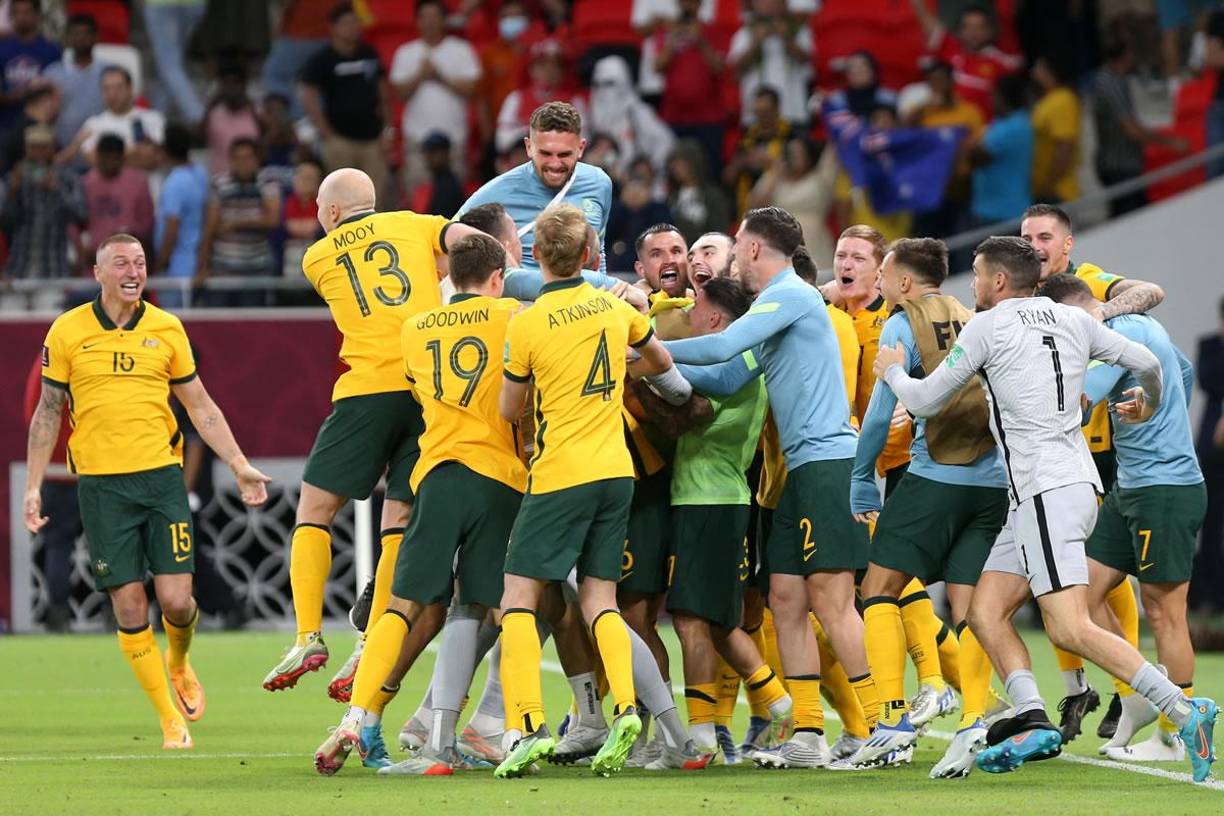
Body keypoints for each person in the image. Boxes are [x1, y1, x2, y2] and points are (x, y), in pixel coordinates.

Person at [873, 235, 1217, 783]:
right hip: (1053, 490)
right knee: (985, 612)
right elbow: (1152, 362)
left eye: (979, 274)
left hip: (1046, 492)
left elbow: (924, 400)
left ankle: (1183, 710)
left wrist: (892, 370)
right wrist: (1149, 401)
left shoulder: (988, 326)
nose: (976, 284)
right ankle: (1032, 715)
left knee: (1069, 627)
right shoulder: (1072, 319)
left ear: (999, 282)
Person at [24, 233, 270, 749]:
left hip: (161, 480)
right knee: (130, 607)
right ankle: (169, 719)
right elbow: (47, 412)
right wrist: (33, 486)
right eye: (121, 263)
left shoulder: (166, 328)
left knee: (177, 602)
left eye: (139, 261)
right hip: (100, 485)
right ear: (98, 273)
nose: (133, 270)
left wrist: (239, 463)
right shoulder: (67, 331)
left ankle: (178, 662)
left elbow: (201, 406)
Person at [659, 207, 876, 769]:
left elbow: (717, 349)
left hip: (828, 461)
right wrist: (651, 370)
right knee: (785, 599)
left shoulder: (793, 296)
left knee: (832, 599)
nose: (731, 258)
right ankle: (807, 731)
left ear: (754, 249)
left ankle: (883, 723)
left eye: (735, 247)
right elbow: (729, 376)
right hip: (795, 476)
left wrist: (640, 345)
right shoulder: (778, 309)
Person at [259, 168, 486, 695]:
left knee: (314, 510)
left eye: (319, 206)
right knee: (398, 520)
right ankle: (372, 640)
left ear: (333, 212)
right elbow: (467, 242)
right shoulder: (413, 223)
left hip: (367, 389)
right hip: (430, 387)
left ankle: (308, 635)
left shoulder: (316, 257)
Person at [314, 233, 528, 776]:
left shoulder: (415, 328)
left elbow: (416, 387)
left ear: (450, 277)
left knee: (403, 604)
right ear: (498, 276)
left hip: (435, 475)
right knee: (485, 608)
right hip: (502, 477)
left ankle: (361, 717)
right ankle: (509, 730)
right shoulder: (512, 316)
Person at [494, 202, 679, 778]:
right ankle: (625, 707)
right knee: (602, 599)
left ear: (537, 257)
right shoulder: (612, 308)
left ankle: (526, 725)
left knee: (517, 600)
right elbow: (661, 361)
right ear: (591, 256)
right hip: (615, 471)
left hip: (559, 474)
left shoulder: (524, 324)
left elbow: (509, 406)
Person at [845, 238, 1009, 776]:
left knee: (879, 590)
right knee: (971, 608)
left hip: (934, 478)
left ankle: (891, 723)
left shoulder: (902, 324)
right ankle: (975, 721)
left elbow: (878, 417)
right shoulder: (973, 316)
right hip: (990, 486)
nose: (883, 285)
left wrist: (861, 477)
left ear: (906, 283)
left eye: (887, 276)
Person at [1039, 272, 1206, 763]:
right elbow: (1185, 369)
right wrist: (1161, 407)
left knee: (1164, 614)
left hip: (1165, 490)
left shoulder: (1121, 334)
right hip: (1129, 488)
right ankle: (1141, 695)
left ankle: (1178, 738)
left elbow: (1074, 398)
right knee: (1079, 602)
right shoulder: (1138, 327)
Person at [1019, 202, 1168, 743]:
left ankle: (1129, 696)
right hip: (1035, 451)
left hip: (1093, 449)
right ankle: (1081, 686)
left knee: (1096, 578)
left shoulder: (1086, 283)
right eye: (1027, 235)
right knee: (1056, 579)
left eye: (1044, 236)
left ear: (1067, 245)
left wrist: (1096, 315)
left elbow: (1151, 290)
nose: (1034, 244)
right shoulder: (1018, 291)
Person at [666, 275, 792, 759]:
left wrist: (647, 358)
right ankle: (778, 704)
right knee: (718, 620)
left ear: (716, 318)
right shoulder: (745, 357)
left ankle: (699, 736)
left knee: (690, 620)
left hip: (708, 499)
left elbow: (687, 409)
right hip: (719, 498)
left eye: (698, 306)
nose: (692, 315)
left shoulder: (728, 361)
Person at [458, 101, 613, 273]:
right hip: (524, 300)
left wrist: (607, 288)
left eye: (564, 154)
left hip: (588, 298)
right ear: (529, 147)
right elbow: (446, 241)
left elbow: (600, 251)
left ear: (581, 148)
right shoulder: (494, 193)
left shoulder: (599, 182)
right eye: (545, 154)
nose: (555, 164)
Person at [300, 2, 392, 203]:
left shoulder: (369, 54)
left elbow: (383, 93)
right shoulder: (322, 59)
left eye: (354, 22)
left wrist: (387, 129)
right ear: (333, 28)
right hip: (339, 140)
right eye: (345, 23)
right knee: (343, 199)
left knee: (377, 198)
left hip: (372, 139)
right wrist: (327, 134)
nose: (351, 28)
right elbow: (309, 96)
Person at [1091, 36, 1188, 218]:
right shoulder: (1110, 84)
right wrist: (1170, 142)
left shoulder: (1116, 80)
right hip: (1120, 165)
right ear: (1125, 55)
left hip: (1121, 162)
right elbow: (1130, 128)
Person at [390, 0, 481, 193]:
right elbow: (399, 94)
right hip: (417, 142)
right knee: (417, 204)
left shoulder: (461, 49)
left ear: (444, 20)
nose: (430, 22)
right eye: (425, 17)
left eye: (435, 17)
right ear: (417, 21)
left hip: (454, 142)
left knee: (454, 204)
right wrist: (419, 76)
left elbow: (472, 89)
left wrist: (440, 76)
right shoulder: (406, 52)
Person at [194, 138, 281, 307]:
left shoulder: (268, 183)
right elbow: (211, 227)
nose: (243, 163)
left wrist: (235, 224)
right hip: (222, 270)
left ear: (257, 160)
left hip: (256, 272)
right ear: (231, 160)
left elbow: (272, 220)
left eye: (248, 158)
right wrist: (202, 266)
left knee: (253, 329)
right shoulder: (219, 184)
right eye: (238, 158)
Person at [907, 0, 1023, 120]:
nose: (973, 33)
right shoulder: (949, 48)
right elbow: (926, 19)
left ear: (990, 31)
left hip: (982, 130)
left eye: (979, 27)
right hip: (944, 127)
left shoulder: (1001, 62)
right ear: (960, 31)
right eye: (968, 27)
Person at [2, 124, 87, 279]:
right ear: (26, 150)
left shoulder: (68, 179)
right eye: (34, 147)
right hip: (18, 267)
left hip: (53, 268)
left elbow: (81, 215)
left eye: (43, 147)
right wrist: (13, 192)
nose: (38, 152)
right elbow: (5, 223)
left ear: (52, 149)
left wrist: (56, 189)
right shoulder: (14, 178)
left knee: (52, 303)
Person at [652, 0, 726, 175]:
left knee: (709, 171)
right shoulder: (667, 32)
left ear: (700, 4)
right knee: (674, 173)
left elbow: (719, 68)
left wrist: (700, 41)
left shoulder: (712, 31)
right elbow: (657, 66)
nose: (687, 5)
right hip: (674, 116)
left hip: (709, 118)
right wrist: (672, 41)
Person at [748, 137, 838, 269]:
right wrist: (774, 174)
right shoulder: (775, 177)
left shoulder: (820, 179)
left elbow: (833, 150)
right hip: (782, 242)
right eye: (791, 153)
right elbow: (754, 206)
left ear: (810, 156)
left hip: (815, 243)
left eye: (799, 153)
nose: (794, 157)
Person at [589, 55, 675, 179]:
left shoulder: (638, 113)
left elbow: (665, 142)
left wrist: (651, 168)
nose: (603, 89)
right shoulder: (591, 114)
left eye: (609, 83)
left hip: (633, 181)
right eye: (598, 84)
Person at [494, 39, 586, 155]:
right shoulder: (516, 98)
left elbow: (583, 139)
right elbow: (502, 140)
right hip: (522, 161)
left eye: (555, 66)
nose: (549, 71)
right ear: (531, 69)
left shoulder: (574, 101)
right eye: (542, 66)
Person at [728, 0, 811, 127]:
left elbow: (807, 60)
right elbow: (736, 70)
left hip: (793, 112)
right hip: (757, 117)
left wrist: (787, 39)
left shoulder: (798, 29)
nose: (767, 4)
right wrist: (756, 43)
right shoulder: (744, 32)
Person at [65, 66, 166, 171]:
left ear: (130, 88)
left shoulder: (154, 119)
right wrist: (134, 152)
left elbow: (154, 159)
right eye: (107, 88)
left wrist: (109, 157)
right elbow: (94, 160)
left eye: (118, 87)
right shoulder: (92, 124)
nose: (112, 94)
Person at [1191, 296, 1224, 613]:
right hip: (1213, 447)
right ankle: (1213, 596)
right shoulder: (1211, 346)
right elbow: (1209, 381)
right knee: (1211, 524)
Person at [153, 124, 209, 309]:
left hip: (175, 269)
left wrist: (160, 263)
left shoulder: (174, 184)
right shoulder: (200, 173)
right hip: (196, 262)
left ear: (166, 151)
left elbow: (172, 228)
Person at [81, 133, 155, 266]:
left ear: (122, 158)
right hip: (94, 264)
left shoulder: (138, 182)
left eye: (113, 159)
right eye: (105, 158)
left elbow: (147, 222)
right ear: (98, 157)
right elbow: (77, 224)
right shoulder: (86, 183)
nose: (109, 163)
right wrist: (83, 250)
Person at [969, 74, 1033, 226]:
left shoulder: (1014, 126)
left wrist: (968, 146)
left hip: (1004, 214)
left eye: (993, 95)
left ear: (1001, 97)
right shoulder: (1000, 123)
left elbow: (976, 157)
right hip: (989, 209)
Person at [724, 87, 794, 218]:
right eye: (758, 112)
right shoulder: (747, 135)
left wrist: (770, 161)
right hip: (748, 204)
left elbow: (799, 168)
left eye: (766, 112)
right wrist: (743, 161)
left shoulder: (791, 133)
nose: (762, 117)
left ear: (777, 109)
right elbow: (728, 176)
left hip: (780, 201)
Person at [42, 13, 108, 151]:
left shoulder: (109, 72)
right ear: (67, 39)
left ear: (97, 37)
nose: (81, 38)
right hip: (61, 151)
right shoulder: (52, 74)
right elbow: (42, 116)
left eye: (86, 34)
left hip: (102, 153)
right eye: (76, 34)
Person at [0, 0, 60, 131]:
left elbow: (57, 91)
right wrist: (15, 96)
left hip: (41, 127)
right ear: (11, 15)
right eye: (17, 12)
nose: (22, 17)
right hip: (5, 126)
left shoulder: (51, 50)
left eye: (27, 12)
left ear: (37, 15)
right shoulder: (2, 49)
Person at [142, 0, 205, 123]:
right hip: (194, 5)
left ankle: (198, 117)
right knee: (170, 66)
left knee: (169, 65)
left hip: (162, 4)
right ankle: (156, 117)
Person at [1030, 56, 1081, 204]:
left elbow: (1065, 148)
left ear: (1051, 72)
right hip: (1047, 192)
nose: (1033, 73)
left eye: (1039, 69)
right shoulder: (1047, 100)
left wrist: (1048, 185)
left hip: (1058, 193)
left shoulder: (1063, 100)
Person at [666, 139, 732, 248]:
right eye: (674, 163)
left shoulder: (713, 195)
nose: (676, 168)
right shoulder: (672, 197)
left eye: (681, 163)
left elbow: (720, 231)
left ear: (694, 163)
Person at [202, 62, 261, 178]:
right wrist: (211, 104)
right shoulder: (214, 113)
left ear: (244, 85)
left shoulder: (256, 111)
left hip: (251, 179)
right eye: (226, 84)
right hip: (220, 179)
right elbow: (198, 139)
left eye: (235, 83)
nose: (231, 88)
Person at [0, 82, 57, 175]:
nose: (56, 108)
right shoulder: (32, 128)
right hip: (18, 183)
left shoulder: (23, 121)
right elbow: (49, 163)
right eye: (54, 102)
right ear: (45, 102)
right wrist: (76, 144)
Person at [409, 132, 465, 219]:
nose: (429, 157)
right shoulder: (437, 183)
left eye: (435, 152)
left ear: (446, 153)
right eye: (428, 152)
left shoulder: (448, 186)